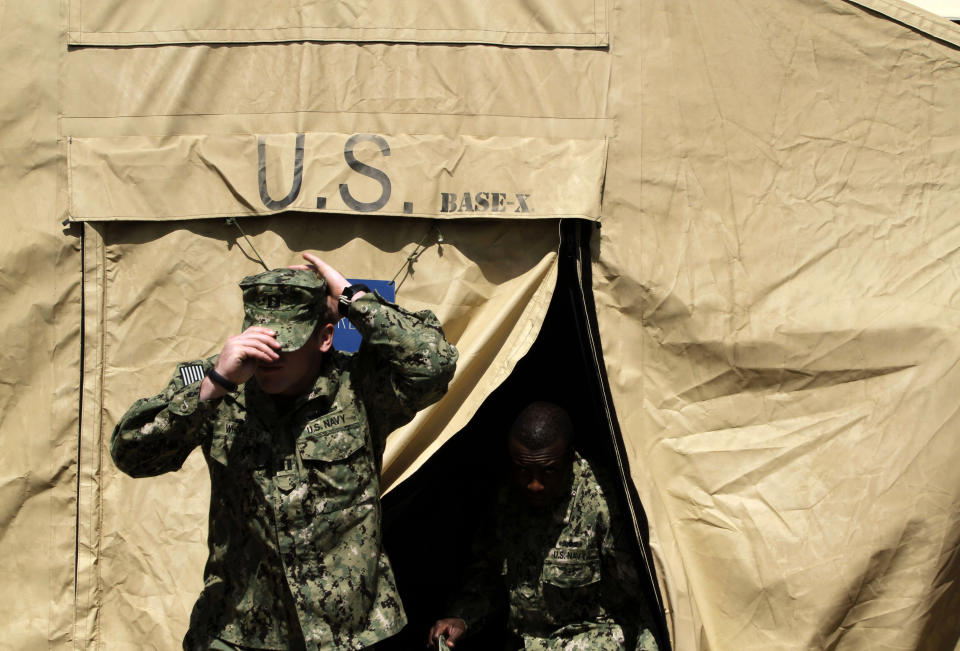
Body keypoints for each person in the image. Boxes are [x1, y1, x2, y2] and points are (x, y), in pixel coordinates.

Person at [111, 253, 458, 651]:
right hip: (241, 630)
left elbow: (433, 363)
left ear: (324, 337)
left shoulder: (359, 386)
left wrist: (352, 298)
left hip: (350, 634)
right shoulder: (217, 382)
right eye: (262, 340)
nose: (269, 358)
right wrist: (212, 387)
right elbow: (131, 453)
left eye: (286, 344)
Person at [428, 402, 659, 651]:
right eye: (523, 470)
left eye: (548, 472)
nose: (534, 485)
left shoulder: (604, 504)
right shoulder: (506, 499)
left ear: (569, 458)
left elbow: (646, 602)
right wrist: (462, 617)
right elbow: (488, 575)